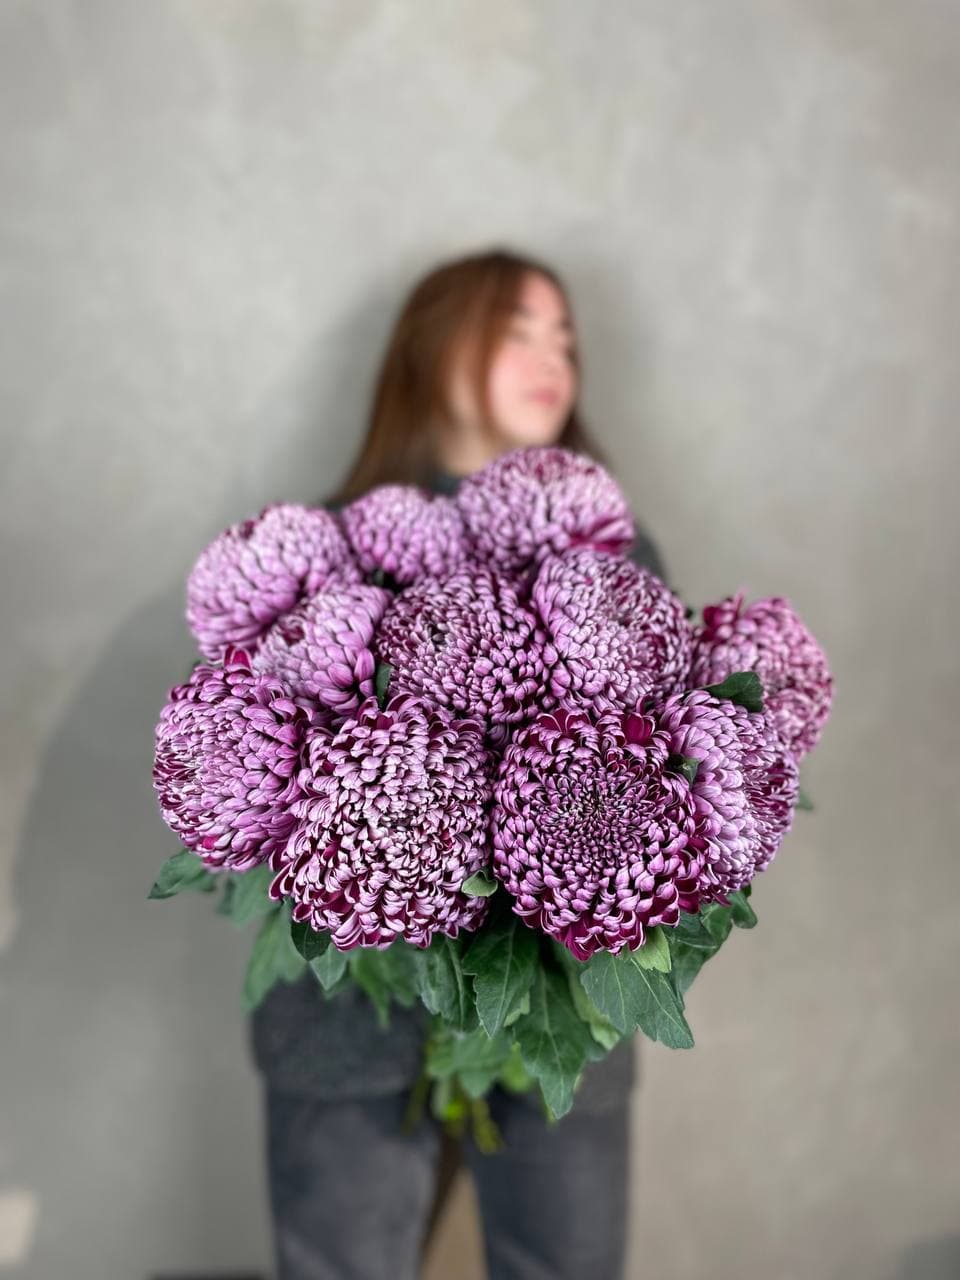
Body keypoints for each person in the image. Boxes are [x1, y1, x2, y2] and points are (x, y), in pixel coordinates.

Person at [249, 247, 672, 1280]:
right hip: (349, 1014)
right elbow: (243, 759)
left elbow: (666, 779)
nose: (553, 359)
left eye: (565, 338)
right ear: (433, 348)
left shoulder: (613, 560)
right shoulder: (322, 552)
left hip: (556, 1002)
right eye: (518, 331)